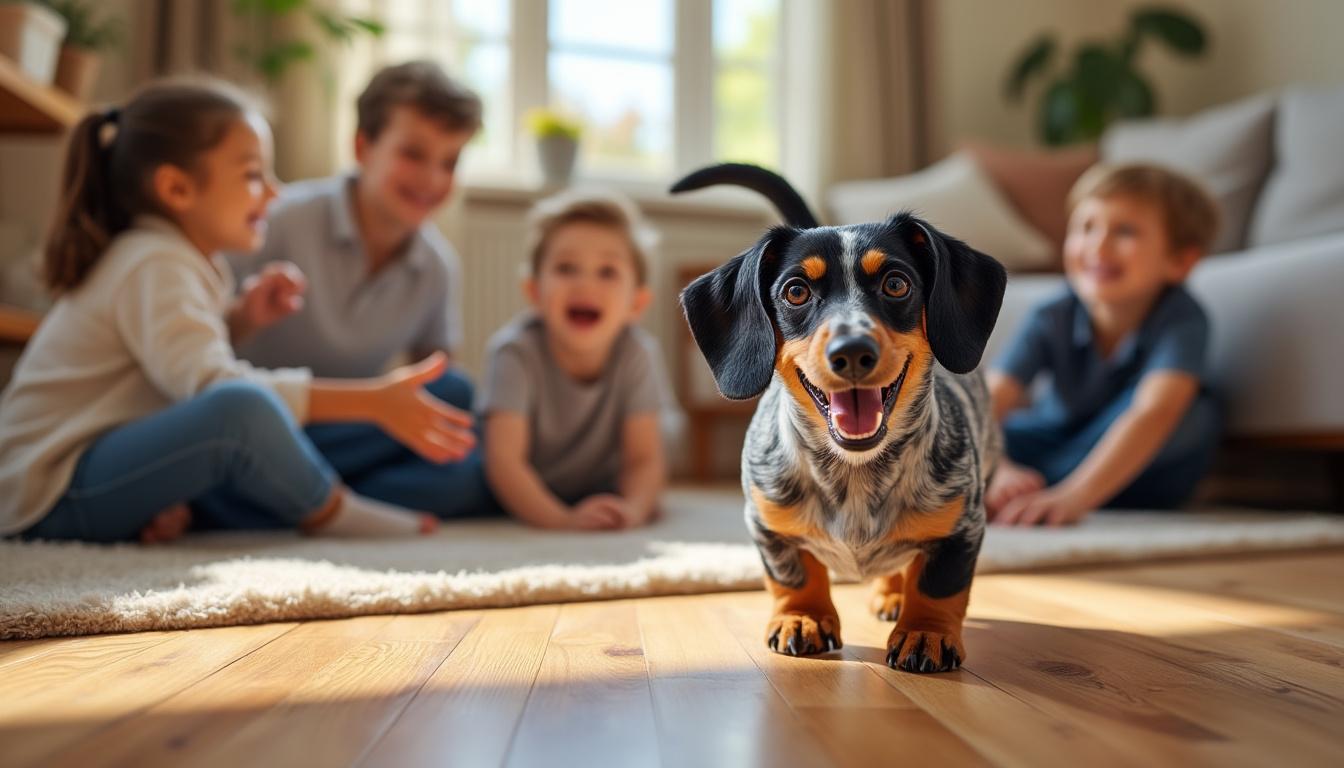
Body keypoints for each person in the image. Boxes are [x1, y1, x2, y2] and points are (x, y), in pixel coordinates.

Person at [0, 78, 470, 543]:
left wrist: (242, 318)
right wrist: (370, 401)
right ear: (177, 190)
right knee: (241, 408)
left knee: (457, 405)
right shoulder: (156, 262)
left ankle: (268, 496)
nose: (272, 192)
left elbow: (172, 356)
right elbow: (213, 387)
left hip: (89, 474)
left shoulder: (180, 261)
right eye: (252, 175)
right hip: (49, 488)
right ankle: (329, 508)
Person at [226, 60, 496, 518]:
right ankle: (308, 497)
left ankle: (294, 498)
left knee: (459, 403)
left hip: (349, 434)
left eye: (449, 162)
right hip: (257, 425)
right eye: (413, 154)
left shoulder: (436, 266)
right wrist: (246, 314)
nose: (432, 178)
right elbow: (198, 347)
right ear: (363, 147)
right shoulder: (279, 219)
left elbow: (436, 391)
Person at [986, 163, 1222, 526]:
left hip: (1139, 469)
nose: (1098, 245)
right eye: (1086, 228)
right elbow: (989, 400)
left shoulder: (1183, 318)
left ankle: (1041, 489)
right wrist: (999, 467)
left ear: (1179, 261)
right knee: (961, 423)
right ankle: (1006, 485)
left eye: (1125, 231)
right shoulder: (1051, 315)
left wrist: (1073, 498)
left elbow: (1153, 412)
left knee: (1192, 415)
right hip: (1054, 442)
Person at [479, 189, 671, 530]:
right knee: (461, 487)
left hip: (599, 480)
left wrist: (633, 510)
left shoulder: (638, 354)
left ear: (636, 304)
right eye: (566, 268)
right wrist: (561, 520)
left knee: (651, 485)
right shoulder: (513, 352)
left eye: (607, 272)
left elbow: (644, 459)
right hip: (531, 480)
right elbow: (505, 463)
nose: (585, 284)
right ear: (535, 292)